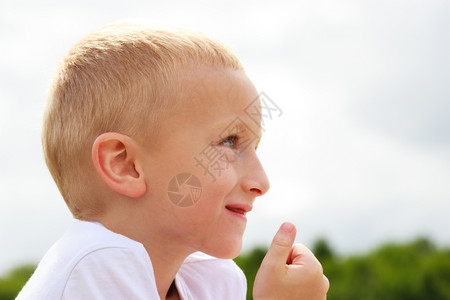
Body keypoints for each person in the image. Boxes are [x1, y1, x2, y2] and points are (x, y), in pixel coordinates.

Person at [17, 22, 329, 299]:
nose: (261, 182)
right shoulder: (96, 264)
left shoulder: (212, 279)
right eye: (230, 142)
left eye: (255, 148)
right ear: (125, 165)